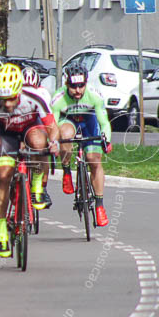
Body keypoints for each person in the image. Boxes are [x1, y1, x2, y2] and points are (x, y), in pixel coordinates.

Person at [0, 64, 60, 258]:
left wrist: (54, 142)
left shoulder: (34, 97)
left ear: (19, 90)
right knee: (2, 175)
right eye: (3, 99)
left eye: (11, 98)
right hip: (6, 135)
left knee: (39, 143)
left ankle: (36, 188)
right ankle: (1, 232)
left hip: (30, 128)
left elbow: (52, 126)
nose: (7, 104)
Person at [50, 62, 113, 226]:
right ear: (66, 84)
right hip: (67, 121)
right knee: (65, 135)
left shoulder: (94, 95)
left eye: (81, 85)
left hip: (88, 121)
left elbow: (104, 121)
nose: (77, 90)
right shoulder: (58, 98)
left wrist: (106, 138)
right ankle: (66, 170)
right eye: (73, 86)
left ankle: (99, 206)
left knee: (94, 160)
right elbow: (53, 125)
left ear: (86, 82)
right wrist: (53, 142)